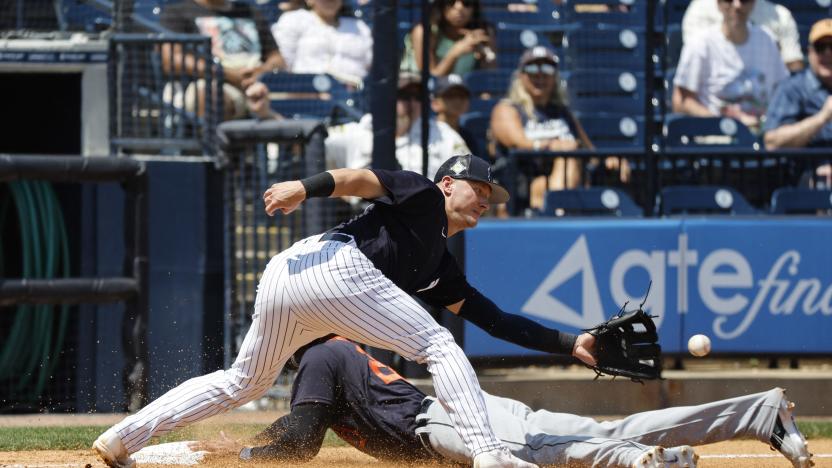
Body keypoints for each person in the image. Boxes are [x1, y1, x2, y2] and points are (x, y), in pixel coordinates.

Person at [92, 154, 599, 468]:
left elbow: (495, 319)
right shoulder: (423, 194)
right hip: (330, 264)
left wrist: (567, 343)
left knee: (241, 383)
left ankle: (121, 438)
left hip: (293, 278)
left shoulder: (439, 269)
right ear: (449, 185)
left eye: (491, 196)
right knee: (438, 346)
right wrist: (303, 188)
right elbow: (361, 179)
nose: (486, 200)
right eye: (479, 189)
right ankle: (490, 455)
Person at [181, 336, 813, 468]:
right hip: (467, 409)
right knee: (596, 429)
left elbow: (300, 440)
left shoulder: (319, 355)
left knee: (541, 455)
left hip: (446, 423)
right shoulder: (336, 353)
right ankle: (757, 412)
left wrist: (227, 455)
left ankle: (646, 465)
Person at [490, 46, 594, 210]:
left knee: (569, 158)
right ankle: (558, 211)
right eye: (532, 68)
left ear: (555, 77)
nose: (540, 75)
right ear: (521, 76)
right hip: (522, 186)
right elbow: (518, 142)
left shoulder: (563, 112)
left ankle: (559, 209)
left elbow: (589, 150)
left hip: (567, 179)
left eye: (547, 69)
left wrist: (611, 162)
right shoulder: (507, 109)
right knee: (549, 175)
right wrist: (552, 146)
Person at [324, 72, 471, 178]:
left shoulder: (442, 133)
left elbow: (466, 169)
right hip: (367, 214)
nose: (412, 103)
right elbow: (317, 147)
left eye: (418, 97)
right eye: (404, 96)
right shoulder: (360, 131)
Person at [673, 0, 789, 132]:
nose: (737, 5)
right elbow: (681, 101)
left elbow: (782, 91)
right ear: (718, 4)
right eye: (729, 0)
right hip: (715, 139)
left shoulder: (767, 40)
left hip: (762, 136)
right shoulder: (700, 44)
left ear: (754, 3)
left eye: (745, 0)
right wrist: (724, 124)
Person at [159, 0, 286, 120]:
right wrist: (227, 74)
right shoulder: (177, 12)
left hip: (259, 83)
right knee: (210, 94)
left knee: (299, 97)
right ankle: (215, 142)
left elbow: (277, 58)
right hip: (216, 83)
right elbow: (170, 59)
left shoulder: (250, 11)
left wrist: (261, 71)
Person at [270, 0, 373, 87]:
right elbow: (282, 64)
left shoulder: (360, 27)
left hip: (357, 96)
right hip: (309, 96)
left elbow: (374, 66)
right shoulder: (294, 20)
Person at [682, 0, 804, 72]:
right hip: (716, 99)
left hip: (766, 96)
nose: (737, 5)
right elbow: (695, 64)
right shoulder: (700, 10)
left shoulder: (781, 16)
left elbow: (794, 65)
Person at [765, 18, 832, 149]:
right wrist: (822, 118)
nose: (828, 53)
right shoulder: (793, 89)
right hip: (808, 168)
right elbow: (772, 142)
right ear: (810, 52)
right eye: (820, 47)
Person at [402, 0, 497, 76]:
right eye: (451, 1)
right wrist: (455, 52)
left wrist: (486, 55)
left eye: (467, 2)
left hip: (459, 95)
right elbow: (430, 81)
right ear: (440, 5)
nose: (459, 7)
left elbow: (490, 79)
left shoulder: (483, 34)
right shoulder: (423, 32)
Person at [432, 74, 481, 155]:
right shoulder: (426, 132)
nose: (457, 101)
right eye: (450, 96)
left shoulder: (468, 137)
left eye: (462, 96)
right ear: (435, 103)